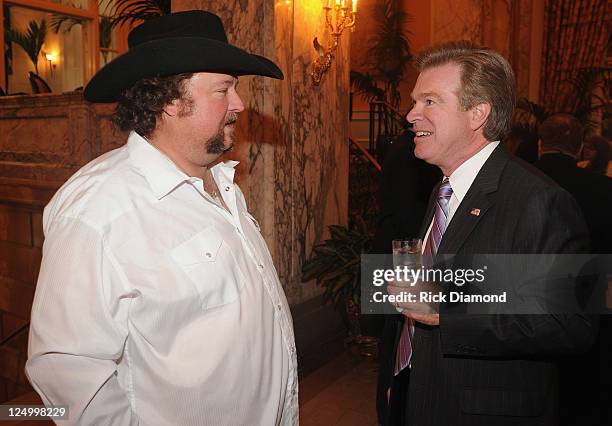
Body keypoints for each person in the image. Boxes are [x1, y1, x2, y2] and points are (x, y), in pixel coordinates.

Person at [26, 11, 297, 426]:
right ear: (170, 100)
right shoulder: (98, 210)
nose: (240, 104)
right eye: (224, 89)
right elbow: (69, 374)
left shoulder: (222, 182)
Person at [384, 41, 596, 425]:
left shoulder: (539, 200)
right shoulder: (442, 188)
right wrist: (401, 377)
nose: (411, 114)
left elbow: (571, 323)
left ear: (478, 113)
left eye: (429, 101)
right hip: (422, 394)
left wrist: (448, 311)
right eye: (415, 101)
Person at [535, 113, 612, 425]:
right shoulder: (604, 189)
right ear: (580, 147)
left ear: (540, 145)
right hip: (594, 300)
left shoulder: (517, 182)